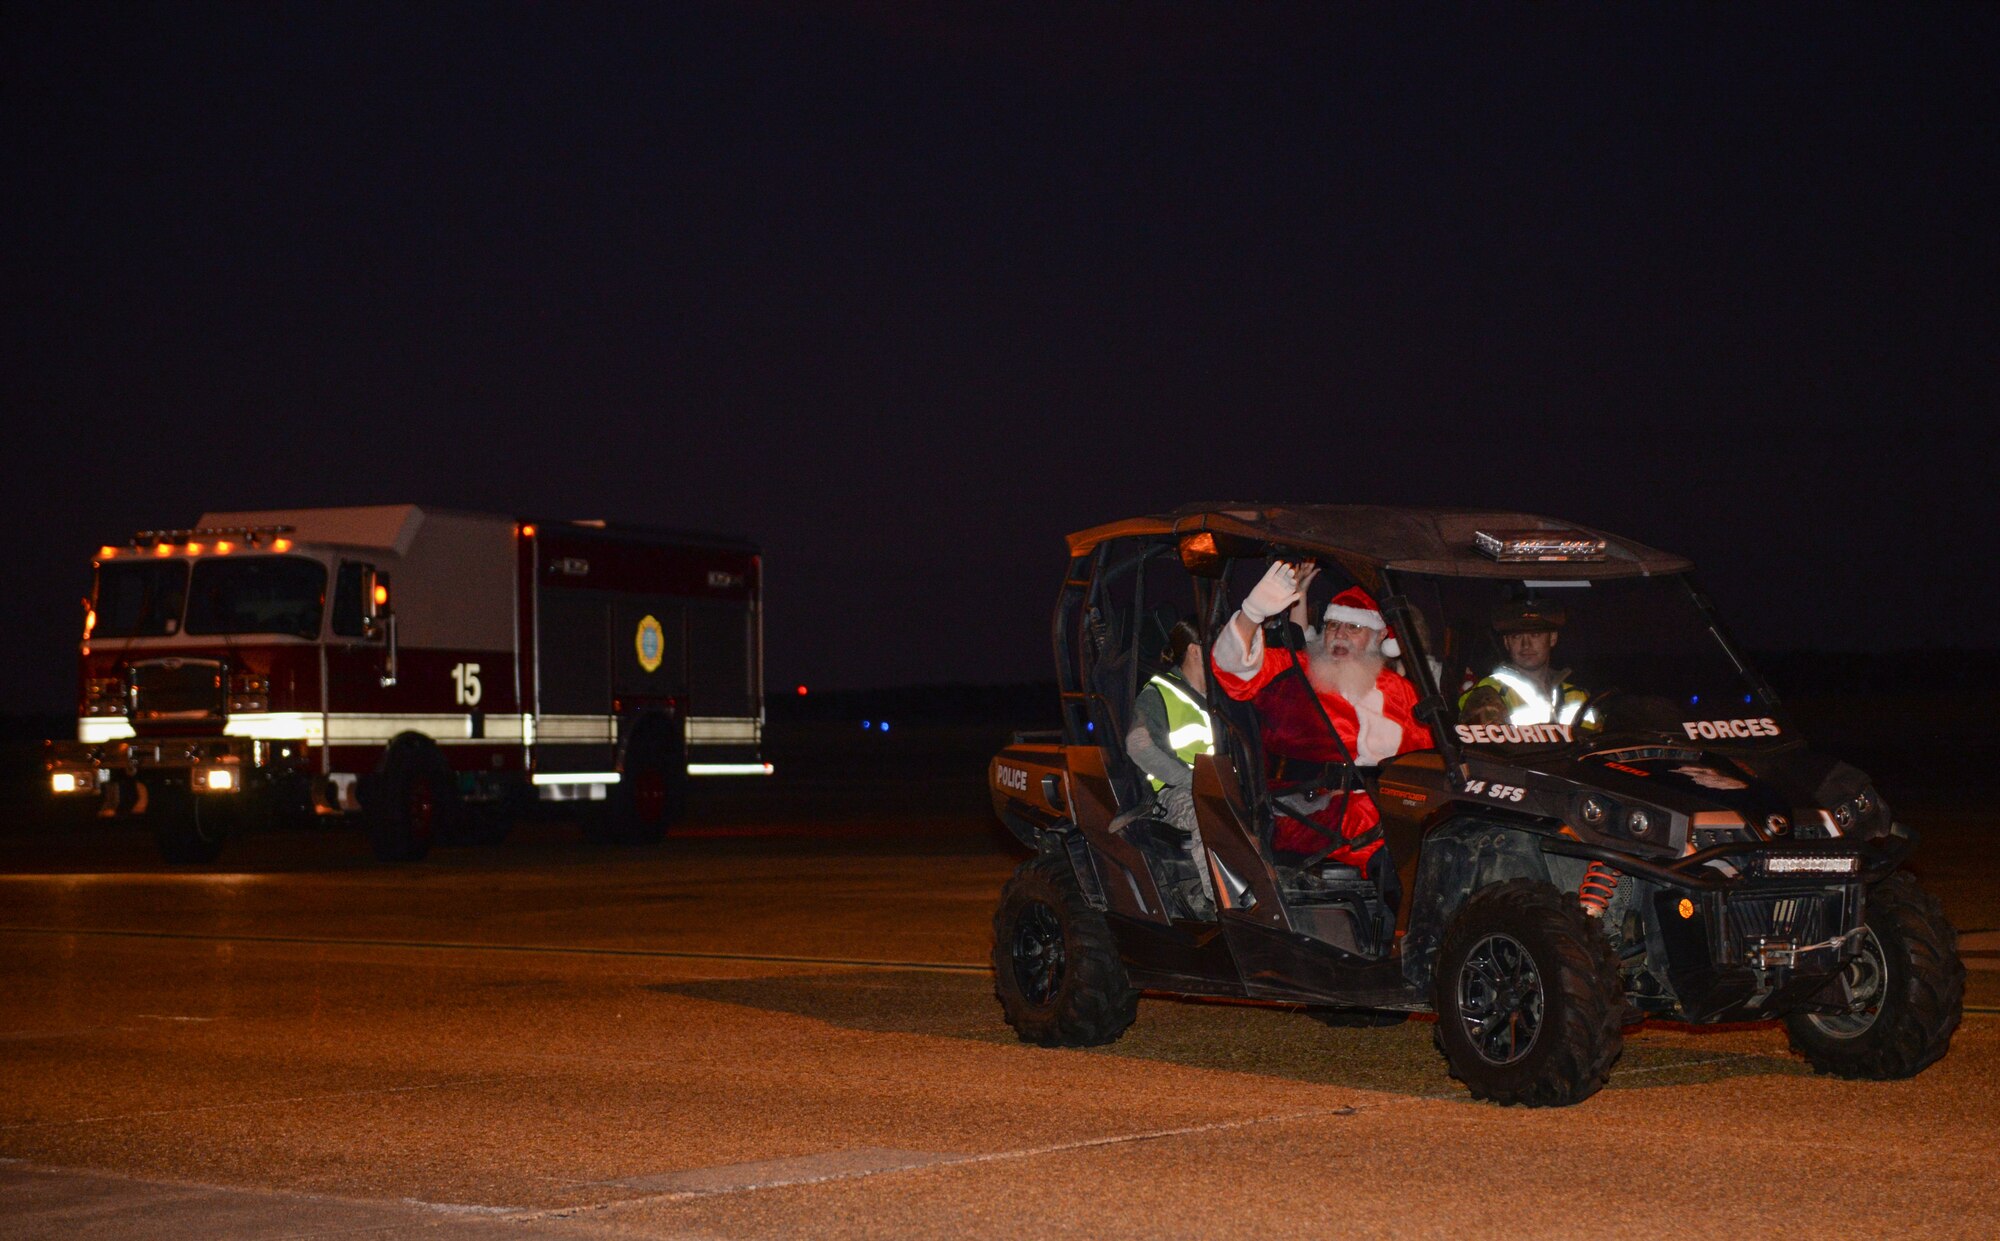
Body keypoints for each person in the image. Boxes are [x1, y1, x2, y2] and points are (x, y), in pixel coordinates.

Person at [1211, 562, 1432, 873]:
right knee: (1397, 856)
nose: (1339, 635)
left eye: (1353, 628)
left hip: (1382, 808)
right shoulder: (1296, 671)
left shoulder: (1400, 690)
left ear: (1378, 636)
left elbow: (1424, 757)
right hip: (1310, 811)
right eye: (1332, 626)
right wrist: (1251, 614)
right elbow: (1232, 668)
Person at [1458, 598, 1593, 728]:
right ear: (1506, 642)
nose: (1526, 645)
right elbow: (1485, 749)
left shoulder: (1577, 696)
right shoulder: (1489, 693)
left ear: (1552, 638)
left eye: (1535, 635)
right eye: (1516, 636)